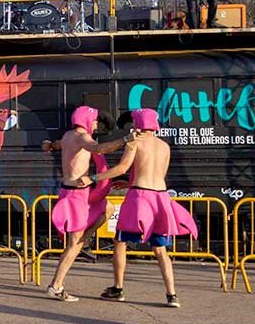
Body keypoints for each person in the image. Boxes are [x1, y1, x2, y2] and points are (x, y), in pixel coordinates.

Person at [81, 108, 198, 308]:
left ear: (139, 123)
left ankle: (118, 288)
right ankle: (172, 294)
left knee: (120, 242)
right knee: (160, 249)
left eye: (134, 122)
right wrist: (129, 182)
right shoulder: (164, 146)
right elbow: (157, 174)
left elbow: (122, 168)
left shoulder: (135, 142)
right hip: (160, 198)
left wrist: (93, 178)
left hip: (139, 198)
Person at [40, 106, 132, 301]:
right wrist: (125, 139)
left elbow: (57, 144)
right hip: (76, 196)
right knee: (73, 244)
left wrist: (49, 145)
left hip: (76, 193)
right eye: (95, 121)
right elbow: (99, 149)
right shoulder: (83, 137)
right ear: (87, 120)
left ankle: (85, 239)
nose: (96, 124)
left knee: (108, 207)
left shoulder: (68, 136)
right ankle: (56, 286)